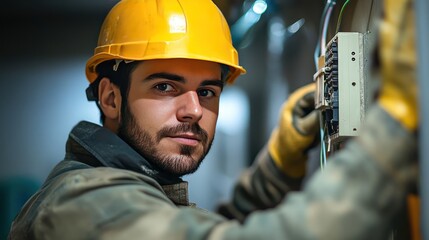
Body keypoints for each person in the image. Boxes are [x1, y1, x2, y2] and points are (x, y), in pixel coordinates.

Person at [9, 0, 418, 239]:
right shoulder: (81, 203)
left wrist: (277, 169)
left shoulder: (128, 187)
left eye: (207, 91)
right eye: (166, 87)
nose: (193, 110)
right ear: (111, 98)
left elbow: (201, 230)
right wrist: (393, 132)